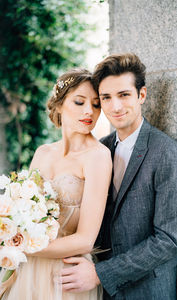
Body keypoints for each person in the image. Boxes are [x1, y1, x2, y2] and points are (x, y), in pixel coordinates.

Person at [60, 53, 177, 300]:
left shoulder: (169, 154)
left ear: (141, 95)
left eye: (124, 95)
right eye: (106, 98)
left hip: (147, 291)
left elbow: (169, 241)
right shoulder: (100, 149)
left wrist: (102, 273)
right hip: (98, 292)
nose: (115, 106)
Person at [2, 69, 112, 300]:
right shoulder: (42, 153)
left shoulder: (98, 157)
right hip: (26, 271)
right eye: (80, 102)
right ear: (59, 105)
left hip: (65, 275)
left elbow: (85, 239)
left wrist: (20, 247)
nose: (89, 112)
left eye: (96, 104)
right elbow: (22, 212)